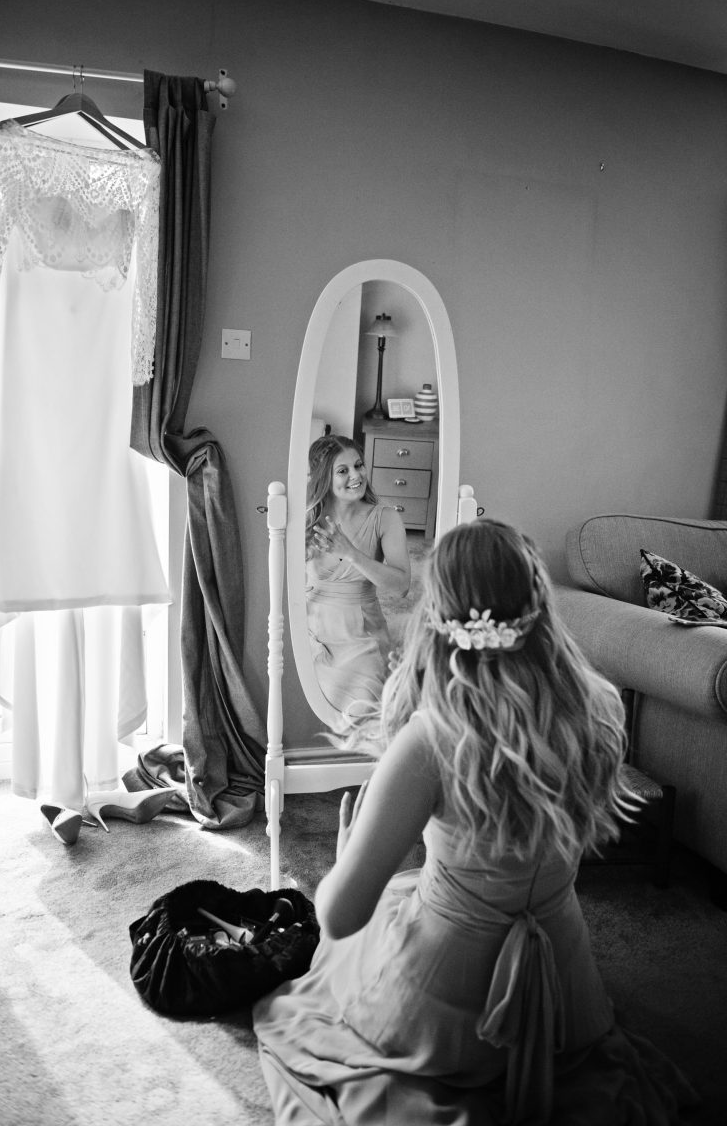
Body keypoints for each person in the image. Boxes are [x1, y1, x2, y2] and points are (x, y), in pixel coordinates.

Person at [254, 519, 698, 1125]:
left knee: (339, 965)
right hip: (570, 998)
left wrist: (347, 852)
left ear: (438, 618)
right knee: (410, 894)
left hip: (445, 1009)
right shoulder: (595, 712)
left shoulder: (429, 741)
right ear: (539, 610)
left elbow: (337, 916)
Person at [304, 434, 410, 732]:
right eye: (343, 470)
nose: (356, 476)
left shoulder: (385, 519)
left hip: (361, 631)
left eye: (359, 465)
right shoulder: (306, 519)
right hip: (313, 630)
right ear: (324, 477)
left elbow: (401, 587)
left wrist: (351, 554)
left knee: (365, 713)